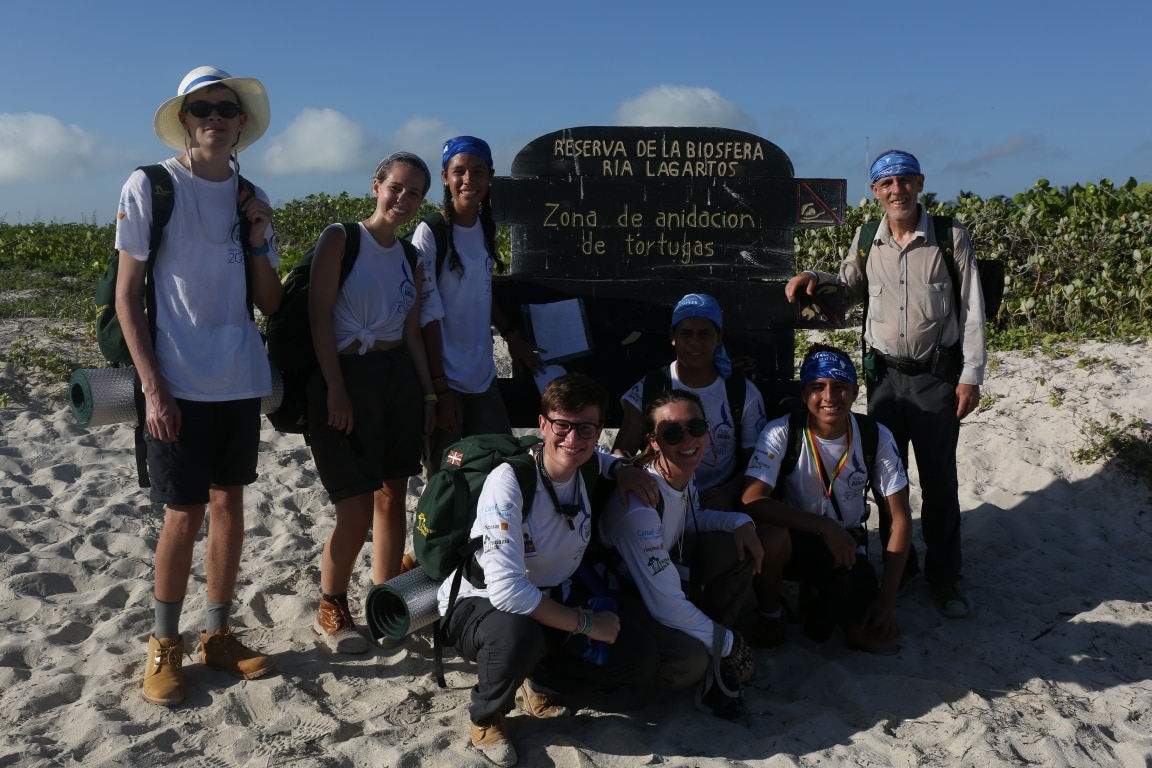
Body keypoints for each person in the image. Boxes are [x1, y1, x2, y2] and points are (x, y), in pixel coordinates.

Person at [116, 66, 283, 706]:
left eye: (225, 107)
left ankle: (217, 632)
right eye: (201, 107)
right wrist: (153, 388)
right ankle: (164, 644)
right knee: (181, 514)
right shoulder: (151, 186)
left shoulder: (252, 196)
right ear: (185, 120)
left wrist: (261, 239)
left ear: (241, 123)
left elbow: (268, 302)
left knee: (228, 507)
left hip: (239, 378)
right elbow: (129, 296)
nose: (214, 115)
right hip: (178, 381)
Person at [785, 149, 986, 618]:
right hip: (883, 378)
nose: (898, 191)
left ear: (920, 183)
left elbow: (973, 310)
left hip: (937, 377)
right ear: (875, 192)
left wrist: (970, 376)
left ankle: (945, 578)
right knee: (883, 479)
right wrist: (815, 277)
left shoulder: (949, 236)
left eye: (905, 181)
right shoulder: (865, 238)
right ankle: (905, 563)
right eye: (887, 184)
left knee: (939, 482)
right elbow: (849, 288)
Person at [438, 373, 659, 768]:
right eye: (562, 425)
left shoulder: (588, 463)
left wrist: (624, 470)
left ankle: (539, 682)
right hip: (483, 604)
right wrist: (586, 623)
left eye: (586, 428)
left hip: (553, 593)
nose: (573, 439)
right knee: (516, 634)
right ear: (542, 425)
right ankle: (486, 716)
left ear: (597, 431)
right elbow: (507, 592)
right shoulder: (508, 481)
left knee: (638, 656)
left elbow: (605, 460)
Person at [306, 152, 437, 654]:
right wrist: (336, 388)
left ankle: (385, 600)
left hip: (395, 378)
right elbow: (320, 320)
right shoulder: (342, 237)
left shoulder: (411, 258)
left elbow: (410, 333)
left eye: (414, 194)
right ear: (376, 185)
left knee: (392, 496)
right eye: (396, 188)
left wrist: (427, 393)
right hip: (344, 375)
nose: (403, 200)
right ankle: (331, 603)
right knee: (355, 509)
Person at [611, 293, 773, 642]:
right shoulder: (652, 387)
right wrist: (628, 472)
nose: (695, 343)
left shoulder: (740, 392)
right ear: (672, 337)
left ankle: (717, 627)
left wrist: (729, 493)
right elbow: (622, 448)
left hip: (715, 501)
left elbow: (755, 458)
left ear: (719, 338)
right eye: (686, 334)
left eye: (705, 334)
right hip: (661, 499)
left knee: (746, 545)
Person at [599, 389, 760, 716]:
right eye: (672, 432)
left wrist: (742, 521)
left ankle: (712, 644)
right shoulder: (641, 504)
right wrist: (730, 644)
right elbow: (665, 605)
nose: (687, 439)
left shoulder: (679, 474)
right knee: (688, 662)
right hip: (617, 597)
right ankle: (571, 686)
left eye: (696, 428)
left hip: (653, 584)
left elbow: (690, 518)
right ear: (654, 441)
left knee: (735, 546)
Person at [741, 346, 912, 653]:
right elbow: (752, 499)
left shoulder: (876, 435)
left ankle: (819, 597)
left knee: (866, 637)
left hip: (847, 544)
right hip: (795, 538)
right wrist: (824, 527)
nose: (830, 398)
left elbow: (899, 517)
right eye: (818, 387)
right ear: (804, 391)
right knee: (769, 535)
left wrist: (887, 600)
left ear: (856, 391)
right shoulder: (782, 431)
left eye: (841, 387)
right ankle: (771, 616)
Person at [414, 136, 544, 474]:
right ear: (445, 176)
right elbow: (425, 312)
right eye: (459, 171)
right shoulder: (431, 232)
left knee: (497, 468)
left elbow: (481, 293)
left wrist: (511, 336)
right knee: (448, 477)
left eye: (478, 171)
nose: (468, 180)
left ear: (490, 177)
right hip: (446, 380)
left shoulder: (485, 228)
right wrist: (439, 389)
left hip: (483, 377)